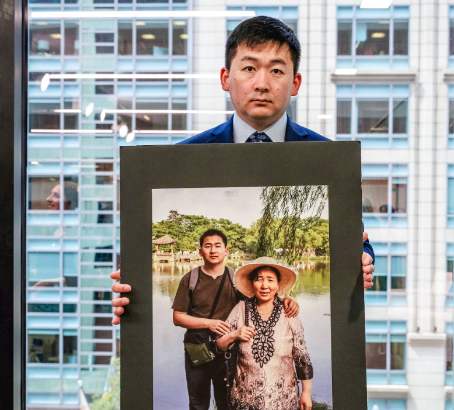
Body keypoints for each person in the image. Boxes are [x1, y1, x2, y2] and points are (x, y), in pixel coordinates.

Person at [110, 15, 375, 324]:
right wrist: (132, 292)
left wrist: (364, 259)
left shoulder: (328, 160)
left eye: (277, 70)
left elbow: (359, 240)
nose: (262, 83)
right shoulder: (182, 160)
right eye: (249, 68)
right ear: (226, 78)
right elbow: (141, 255)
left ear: (295, 83)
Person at [168, 229, 300, 410]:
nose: (213, 250)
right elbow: (178, 317)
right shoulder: (190, 279)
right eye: (208, 246)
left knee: (226, 401)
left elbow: (259, 299)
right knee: (198, 403)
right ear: (200, 251)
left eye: (217, 246)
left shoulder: (235, 280)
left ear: (226, 250)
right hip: (198, 349)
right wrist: (209, 323)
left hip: (228, 352)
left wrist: (285, 300)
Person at [216, 257, 313, 410]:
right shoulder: (241, 308)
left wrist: (306, 392)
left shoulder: (288, 311)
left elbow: (302, 356)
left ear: (278, 285)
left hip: (283, 399)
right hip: (244, 399)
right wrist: (234, 334)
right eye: (259, 279)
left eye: (270, 280)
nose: (264, 285)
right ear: (252, 283)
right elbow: (219, 345)